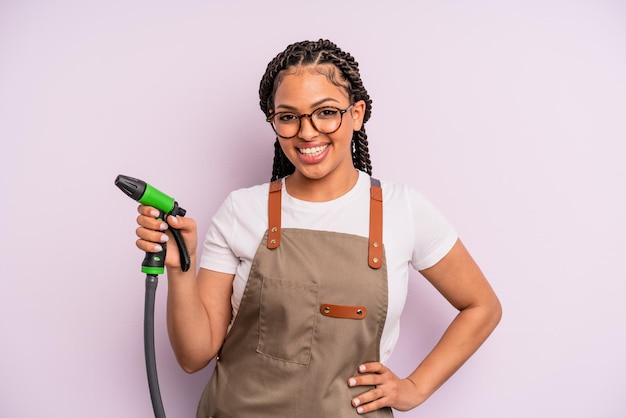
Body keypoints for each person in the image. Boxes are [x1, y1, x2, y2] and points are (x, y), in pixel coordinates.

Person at [134, 39, 502, 417]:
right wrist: (182, 268)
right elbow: (193, 357)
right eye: (288, 117)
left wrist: (414, 387)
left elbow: (482, 306)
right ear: (274, 121)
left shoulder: (403, 210)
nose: (307, 133)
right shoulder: (241, 211)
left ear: (356, 114)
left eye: (325, 112)